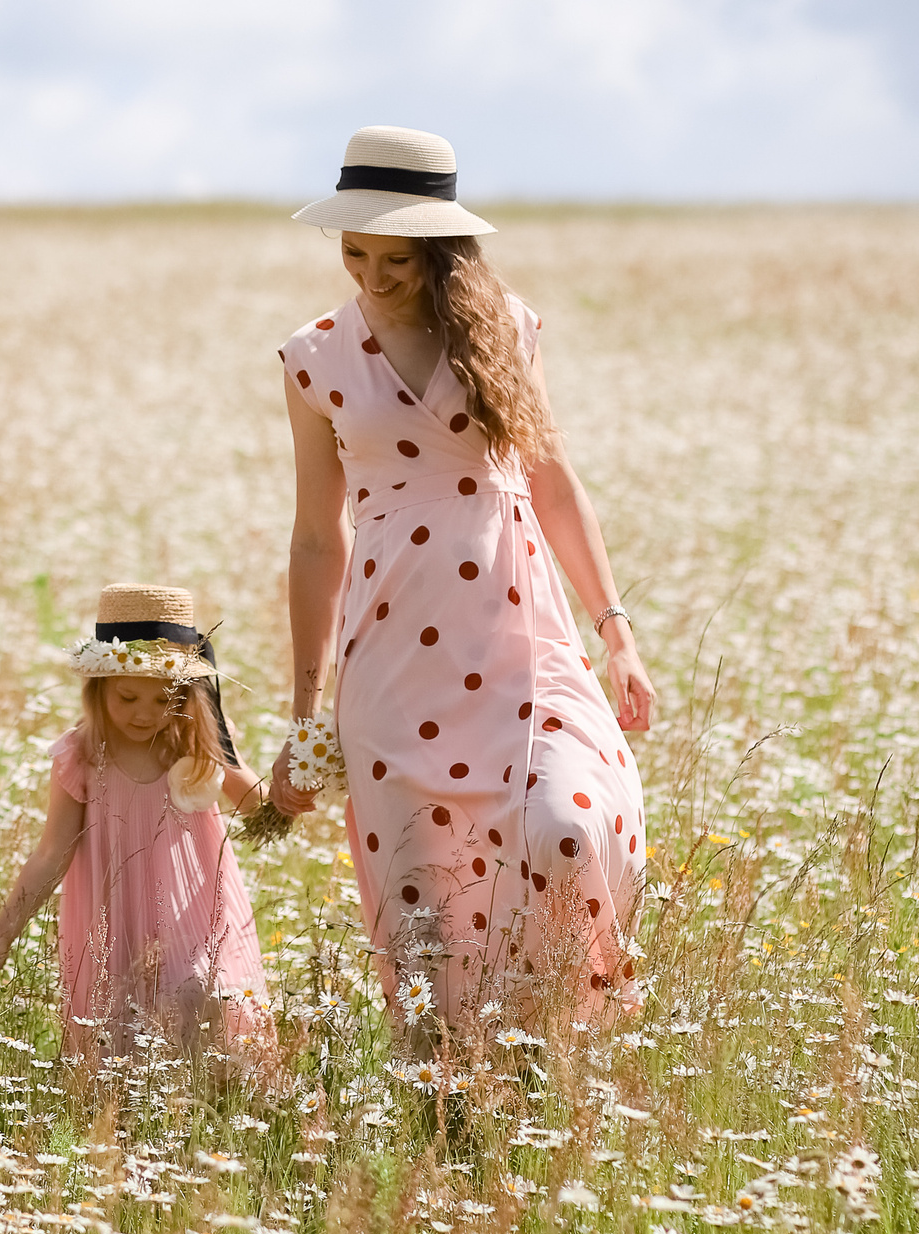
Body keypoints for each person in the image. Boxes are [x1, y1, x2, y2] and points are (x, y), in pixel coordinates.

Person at [265, 126, 657, 1045]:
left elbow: (554, 480)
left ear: (442, 250)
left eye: (393, 258)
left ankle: (562, 1031)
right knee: (427, 906)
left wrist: (617, 628)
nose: (370, 275)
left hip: (522, 638)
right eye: (354, 253)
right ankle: (451, 1103)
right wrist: (304, 708)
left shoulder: (505, 329)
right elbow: (318, 538)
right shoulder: (313, 357)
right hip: (392, 659)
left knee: (568, 823)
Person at [0, 584, 275, 1066]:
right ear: (100, 687)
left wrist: (212, 723)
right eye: (128, 697)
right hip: (114, 921)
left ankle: (210, 1122)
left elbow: (257, 804)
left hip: (192, 916)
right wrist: (1, 934)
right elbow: (52, 854)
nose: (144, 714)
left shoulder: (194, 742)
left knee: (205, 1002)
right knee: (124, 1047)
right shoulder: (82, 755)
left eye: (162, 700)